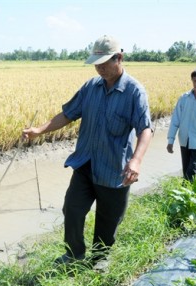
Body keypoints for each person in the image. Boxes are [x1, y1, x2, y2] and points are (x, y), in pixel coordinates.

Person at [22, 35, 153, 266]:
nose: (99, 68)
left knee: (108, 219)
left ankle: (100, 258)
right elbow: (67, 114)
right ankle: (74, 253)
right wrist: (38, 130)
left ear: (119, 58)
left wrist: (136, 161)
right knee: (72, 209)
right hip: (86, 162)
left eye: (104, 62)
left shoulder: (134, 92)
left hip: (114, 167)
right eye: (96, 63)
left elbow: (145, 129)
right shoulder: (91, 87)